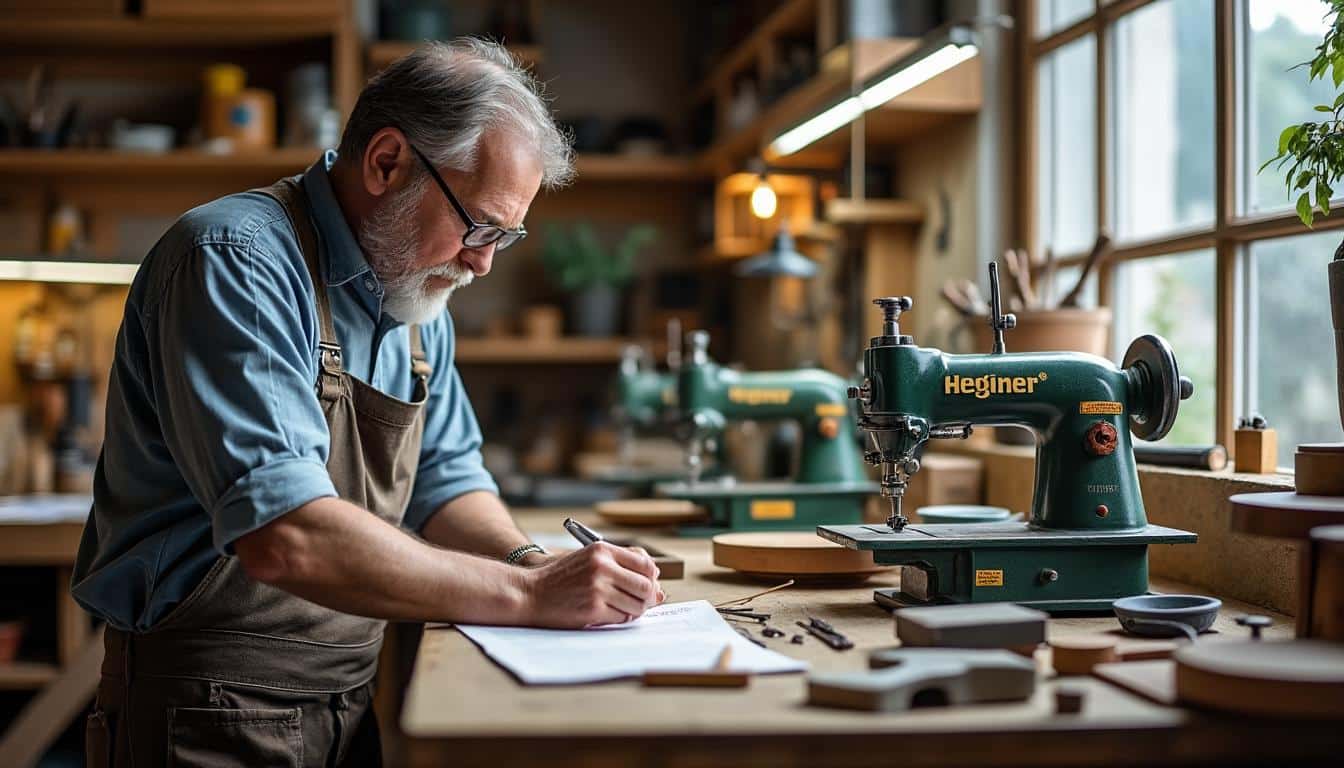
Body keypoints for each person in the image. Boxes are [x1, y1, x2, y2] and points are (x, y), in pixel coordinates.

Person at [72, 39, 663, 767]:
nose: (481, 261)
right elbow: (286, 537)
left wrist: (535, 564)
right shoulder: (235, 260)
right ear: (387, 162)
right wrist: (525, 596)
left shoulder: (418, 295)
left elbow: (448, 479)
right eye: (478, 225)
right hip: (204, 713)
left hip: (348, 698)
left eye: (504, 238)